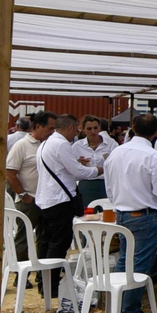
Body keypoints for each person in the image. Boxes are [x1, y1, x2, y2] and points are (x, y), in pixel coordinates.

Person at [102, 113, 157, 313]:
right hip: (144, 214)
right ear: (156, 133)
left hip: (122, 212)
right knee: (140, 264)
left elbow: (109, 187)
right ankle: (129, 309)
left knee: (125, 260)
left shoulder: (116, 153)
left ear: (132, 127)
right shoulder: (153, 156)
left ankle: (117, 305)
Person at [34, 114, 101, 275]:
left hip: (46, 198)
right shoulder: (61, 144)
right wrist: (98, 170)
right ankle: (52, 281)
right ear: (70, 128)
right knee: (59, 243)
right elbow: (77, 171)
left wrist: (77, 164)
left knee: (46, 241)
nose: (77, 134)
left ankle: (44, 279)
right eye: (77, 130)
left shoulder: (46, 143)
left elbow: (64, 171)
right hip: (60, 200)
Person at [3, 112, 54, 259]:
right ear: (38, 126)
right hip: (29, 200)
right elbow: (10, 173)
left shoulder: (49, 145)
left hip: (47, 201)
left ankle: (42, 273)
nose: (52, 132)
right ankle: (21, 275)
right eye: (49, 129)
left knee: (45, 237)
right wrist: (24, 195)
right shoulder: (21, 146)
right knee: (23, 237)